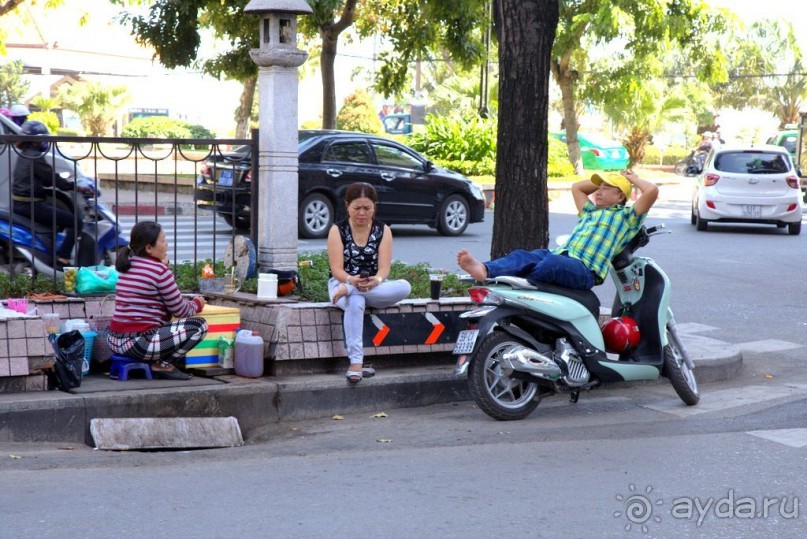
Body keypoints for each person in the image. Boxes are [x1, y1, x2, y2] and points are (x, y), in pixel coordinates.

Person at [458, 170, 658, 290]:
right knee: (524, 256)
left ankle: (517, 284)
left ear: (620, 196)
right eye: (599, 186)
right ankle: (484, 269)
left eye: (606, 188)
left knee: (551, 263)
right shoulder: (590, 211)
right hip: (559, 255)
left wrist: (631, 179)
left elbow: (651, 191)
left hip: (585, 269)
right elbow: (577, 187)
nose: (598, 190)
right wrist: (605, 179)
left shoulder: (626, 218)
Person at [327, 182, 411, 383]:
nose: (362, 213)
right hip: (340, 283)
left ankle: (350, 290)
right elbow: (337, 269)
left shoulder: (384, 230)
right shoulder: (337, 230)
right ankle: (356, 362)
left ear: (375, 207)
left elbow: (384, 269)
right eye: (357, 208)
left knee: (405, 286)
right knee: (355, 302)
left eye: (367, 208)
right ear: (347, 206)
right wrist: (349, 280)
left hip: (372, 287)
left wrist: (377, 280)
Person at [107, 221, 208, 380]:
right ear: (149, 248)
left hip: (113, 341)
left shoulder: (127, 266)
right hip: (139, 343)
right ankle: (162, 364)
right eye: (163, 240)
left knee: (165, 326)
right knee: (199, 325)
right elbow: (181, 311)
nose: (166, 245)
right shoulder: (159, 270)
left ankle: (156, 362)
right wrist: (197, 304)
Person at [12, 120, 88, 267]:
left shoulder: (25, 154)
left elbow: (44, 179)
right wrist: (75, 187)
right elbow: (52, 178)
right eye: (43, 138)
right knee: (75, 222)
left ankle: (51, 253)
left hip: (21, 203)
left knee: (58, 216)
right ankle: (63, 258)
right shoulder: (35, 156)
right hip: (30, 205)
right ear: (35, 140)